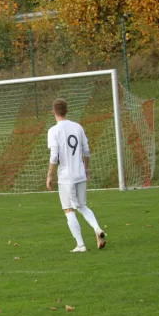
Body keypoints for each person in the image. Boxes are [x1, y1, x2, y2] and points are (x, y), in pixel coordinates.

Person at [46, 99, 106, 252]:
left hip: (66, 177)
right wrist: (86, 169)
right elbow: (86, 151)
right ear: (67, 110)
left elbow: (54, 155)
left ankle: (81, 245)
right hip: (80, 174)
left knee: (69, 209)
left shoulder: (53, 130)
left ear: (53, 111)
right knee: (82, 206)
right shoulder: (78, 127)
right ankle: (97, 228)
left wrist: (49, 175)